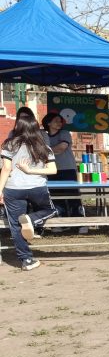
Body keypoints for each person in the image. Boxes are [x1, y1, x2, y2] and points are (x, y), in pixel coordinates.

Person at [0, 112, 58, 270]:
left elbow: (6, 168)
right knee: (50, 210)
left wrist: (0, 191)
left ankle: (26, 260)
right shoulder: (43, 146)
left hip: (13, 189)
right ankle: (31, 219)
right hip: (37, 187)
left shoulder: (9, 144)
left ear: (17, 127)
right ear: (36, 128)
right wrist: (30, 170)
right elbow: (52, 170)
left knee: (15, 225)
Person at [41, 112, 85, 232]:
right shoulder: (43, 136)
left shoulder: (64, 133)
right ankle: (60, 223)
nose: (59, 123)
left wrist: (45, 152)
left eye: (60, 121)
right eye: (56, 120)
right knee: (55, 197)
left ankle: (80, 223)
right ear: (48, 123)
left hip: (67, 169)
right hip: (51, 170)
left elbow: (61, 148)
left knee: (73, 197)